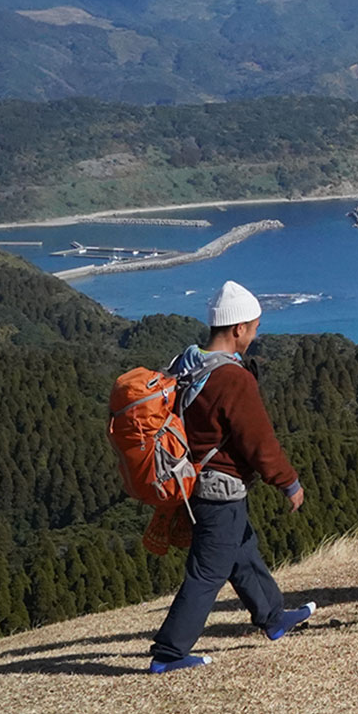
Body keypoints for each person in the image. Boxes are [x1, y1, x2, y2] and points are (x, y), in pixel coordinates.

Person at [147, 280, 315, 674]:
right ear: (238, 328)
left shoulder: (185, 362)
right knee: (208, 569)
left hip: (191, 479)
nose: (255, 337)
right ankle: (169, 652)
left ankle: (273, 618)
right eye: (254, 329)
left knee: (240, 547)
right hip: (219, 486)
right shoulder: (233, 378)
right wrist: (287, 482)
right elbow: (259, 440)